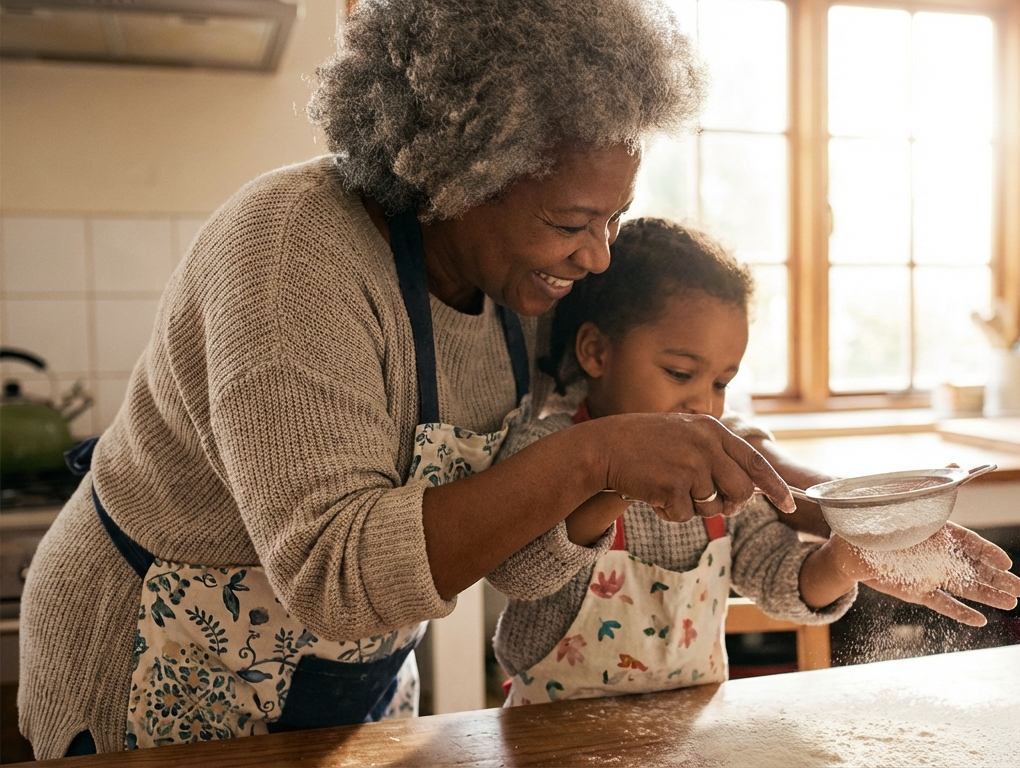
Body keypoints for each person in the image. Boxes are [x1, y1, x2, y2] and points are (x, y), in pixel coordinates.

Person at [18, 0, 798, 757]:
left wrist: (826, 500)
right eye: (569, 224)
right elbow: (333, 576)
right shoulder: (292, 250)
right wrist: (593, 458)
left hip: (352, 673)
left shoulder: (525, 285)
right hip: (154, 665)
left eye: (613, 219)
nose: (596, 257)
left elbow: (634, 413)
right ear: (455, 176)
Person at [487, 219, 1020, 705]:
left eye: (722, 383)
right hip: (551, 741)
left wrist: (846, 560)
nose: (702, 404)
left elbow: (777, 577)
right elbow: (522, 575)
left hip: (685, 743)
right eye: (679, 372)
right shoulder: (545, 447)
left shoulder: (722, 468)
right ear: (597, 353)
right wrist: (620, 483)